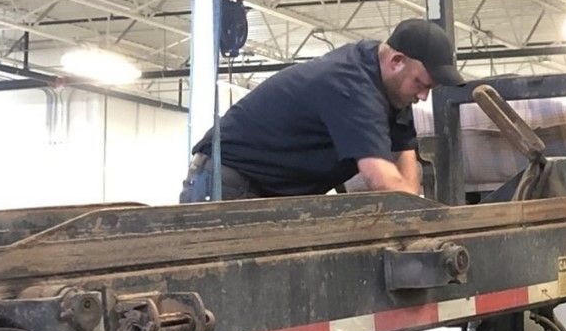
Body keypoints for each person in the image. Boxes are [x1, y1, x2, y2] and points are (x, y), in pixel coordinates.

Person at [180, 18, 461, 202]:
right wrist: (415, 213)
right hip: (228, 184)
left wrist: (412, 201)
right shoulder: (351, 85)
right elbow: (382, 179)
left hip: (275, 191)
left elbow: (405, 153)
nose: (422, 96)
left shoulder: (393, 88)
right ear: (396, 61)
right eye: (421, 84)